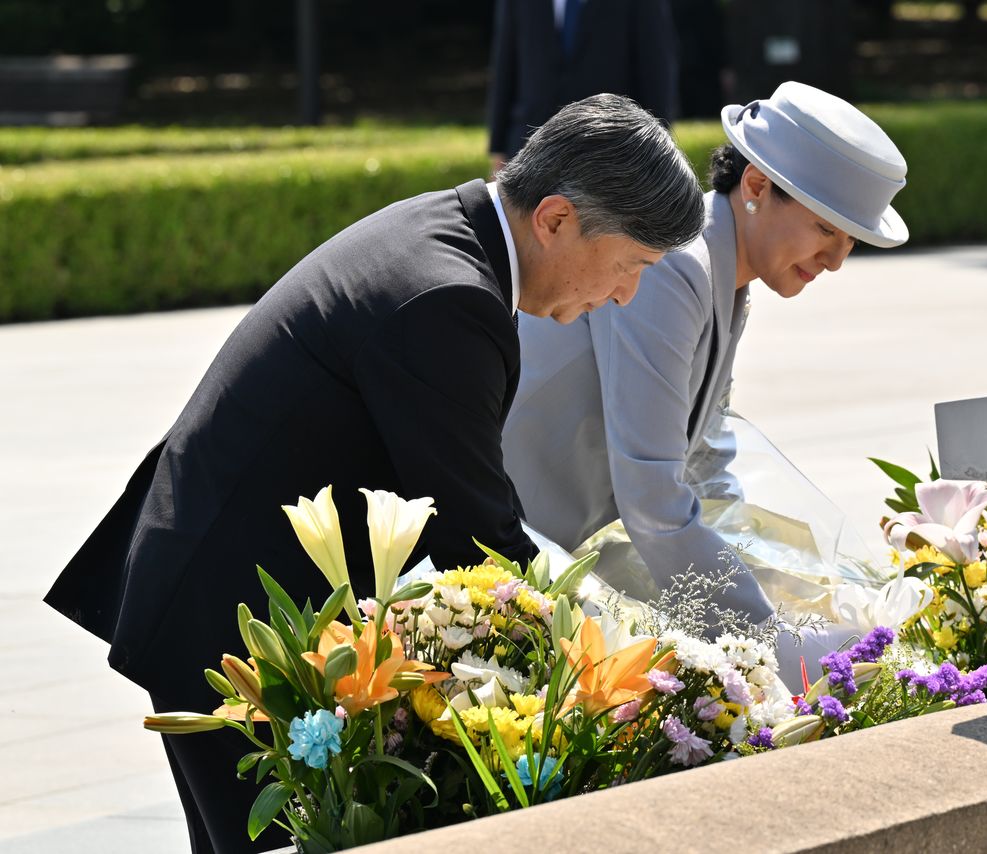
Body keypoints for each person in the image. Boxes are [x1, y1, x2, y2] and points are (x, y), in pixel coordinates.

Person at [43, 93, 704, 854]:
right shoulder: (448, 296)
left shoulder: (452, 236)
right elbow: (477, 539)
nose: (623, 296)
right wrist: (608, 670)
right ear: (555, 219)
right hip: (235, 622)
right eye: (632, 266)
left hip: (225, 584)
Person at [502, 81, 909, 630]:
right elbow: (652, 495)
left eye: (852, 240)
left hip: (556, 550)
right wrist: (770, 639)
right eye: (825, 228)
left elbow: (706, 463)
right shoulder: (678, 264)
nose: (836, 259)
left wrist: (797, 579)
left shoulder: (724, 273)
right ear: (757, 185)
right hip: (505, 546)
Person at [486, 0, 678, 176]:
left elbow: (656, 70)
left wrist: (657, 154)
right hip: (526, 143)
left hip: (609, 148)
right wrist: (498, 150)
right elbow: (505, 66)